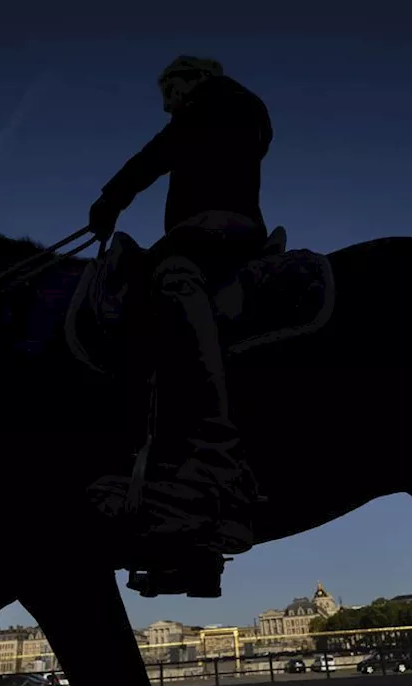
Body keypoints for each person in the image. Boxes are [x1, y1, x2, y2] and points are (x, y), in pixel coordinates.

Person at [86, 55, 273, 557]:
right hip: (215, 224)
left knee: (168, 277)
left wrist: (112, 198)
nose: (168, 108)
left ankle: (213, 450)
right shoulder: (230, 109)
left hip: (217, 225)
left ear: (193, 80)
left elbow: (158, 152)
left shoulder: (221, 100)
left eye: (170, 94)